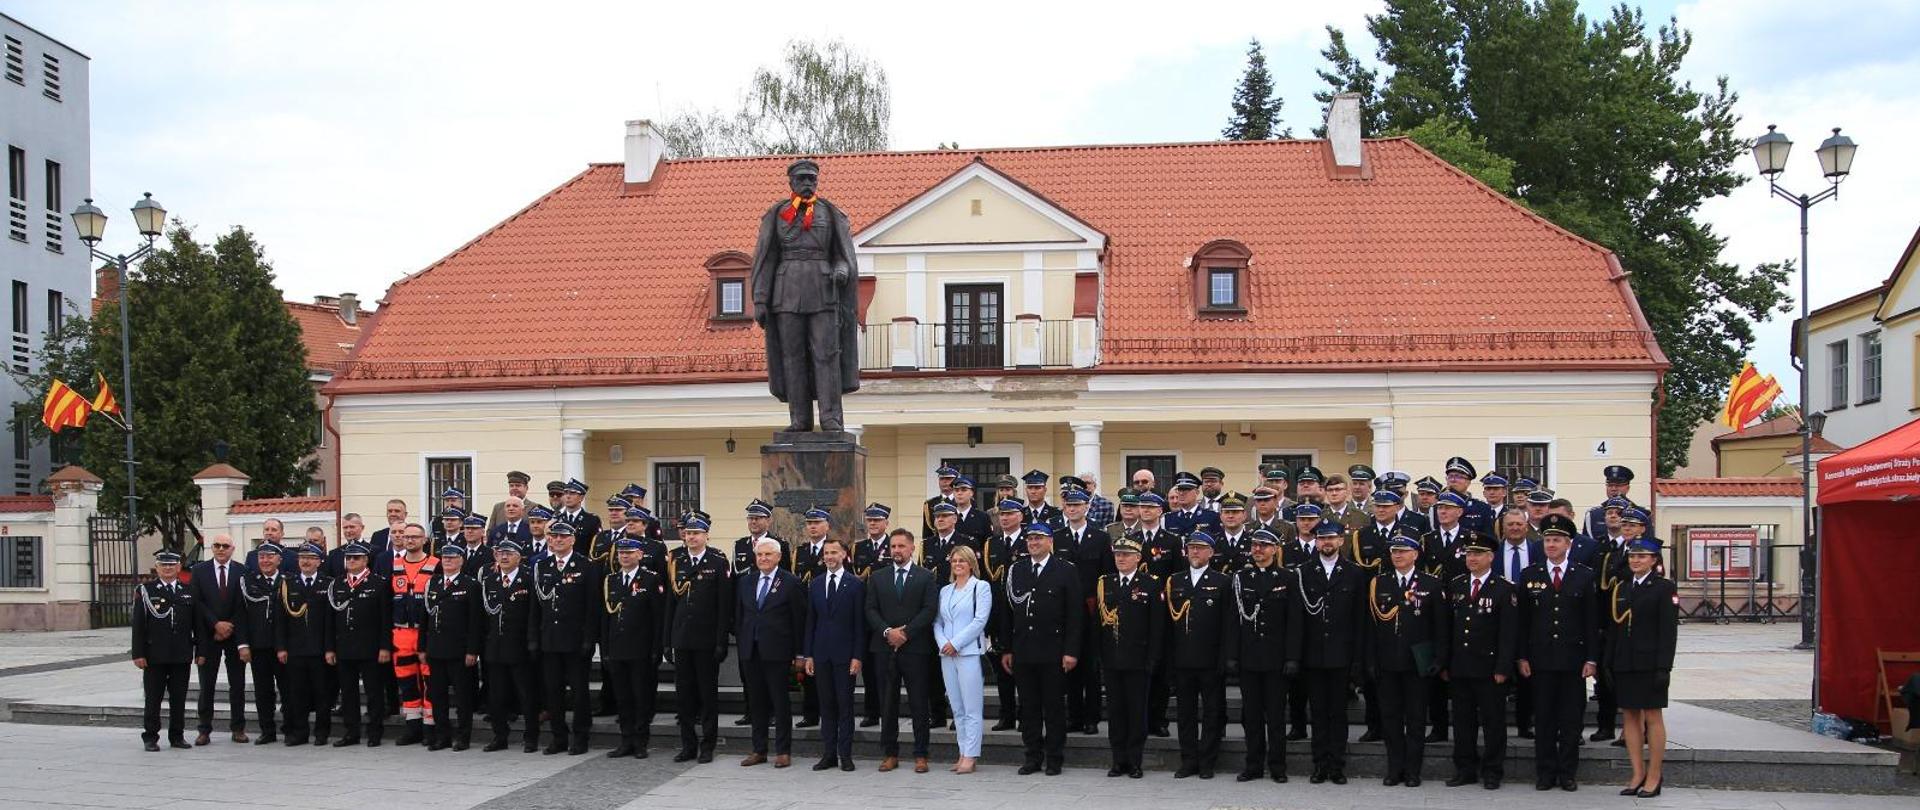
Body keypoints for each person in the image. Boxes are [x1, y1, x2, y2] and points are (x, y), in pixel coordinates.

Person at [1517, 514, 1600, 792]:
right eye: (1547, 540)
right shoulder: (1530, 575)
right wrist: (1522, 656)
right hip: (1540, 660)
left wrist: (1591, 658)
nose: (1551, 545)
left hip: (1573, 661)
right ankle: (1545, 772)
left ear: (1569, 543)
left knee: (1571, 720)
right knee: (1544, 719)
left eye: (1557, 540)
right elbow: (1523, 622)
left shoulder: (1584, 575)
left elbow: (1592, 622)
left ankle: (1567, 773)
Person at [999, 522, 1083, 776]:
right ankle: (1032, 756)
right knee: (1028, 707)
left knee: (1054, 707)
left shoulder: (1065, 570)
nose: (1033, 543)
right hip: (1024, 650)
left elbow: (1075, 615)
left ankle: (1055, 758)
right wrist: (1007, 648)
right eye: (1030, 539)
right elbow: (1006, 613)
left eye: (1038, 538)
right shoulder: (1017, 569)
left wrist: (1071, 650)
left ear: (1050, 542)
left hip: (1053, 650)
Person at [1368, 534, 1447, 787]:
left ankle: (1413, 770)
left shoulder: (1431, 584)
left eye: (1403, 551)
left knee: (1415, 719)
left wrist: (1440, 659)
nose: (1398, 555)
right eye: (1394, 551)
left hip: (1417, 664)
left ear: (1415, 554)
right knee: (1390, 719)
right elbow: (1370, 626)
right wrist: (1369, 660)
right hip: (1387, 662)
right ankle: (1394, 769)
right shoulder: (1379, 583)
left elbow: (1441, 628)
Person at [1443, 535, 1520, 790]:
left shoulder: (1504, 588)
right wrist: (1445, 663)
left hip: (1489, 669)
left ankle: (1492, 770)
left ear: (1490, 557)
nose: (1472, 559)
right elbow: (1448, 629)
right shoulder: (1457, 585)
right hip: (1461, 666)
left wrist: (1503, 668)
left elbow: (1508, 634)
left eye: (1477, 554)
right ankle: (1465, 768)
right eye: (1468, 554)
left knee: (1493, 722)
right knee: (1463, 722)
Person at [1608, 536, 1678, 799]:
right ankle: (1637, 772)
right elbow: (1616, 628)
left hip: (1650, 663)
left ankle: (1655, 775)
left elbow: (1668, 632)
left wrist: (1664, 667)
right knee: (1629, 717)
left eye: (1641, 556)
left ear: (1654, 560)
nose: (1635, 560)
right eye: (1632, 556)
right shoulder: (1623, 587)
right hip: (1625, 661)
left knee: (1652, 717)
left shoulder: (1663, 588)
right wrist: (1609, 661)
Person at [1297, 520, 1367, 784]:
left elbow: (1359, 620)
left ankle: (1337, 765)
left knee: (1338, 713)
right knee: (1317, 711)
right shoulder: (1303, 572)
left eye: (1331, 538)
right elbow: (1298, 620)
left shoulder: (1355, 573)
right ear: (1316, 542)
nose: (1326, 542)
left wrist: (1357, 659)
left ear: (1341, 541)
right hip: (1313, 655)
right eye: (1321, 538)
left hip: (1341, 655)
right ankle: (1319, 764)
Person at [866, 528, 939, 773]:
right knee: (887, 704)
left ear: (912, 548)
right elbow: (870, 610)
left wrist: (905, 633)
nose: (896, 550)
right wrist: (888, 632)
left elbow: (929, 610)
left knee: (919, 702)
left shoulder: (926, 576)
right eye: (893, 546)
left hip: (915, 649)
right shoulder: (877, 577)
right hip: (884, 648)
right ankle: (889, 753)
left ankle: (921, 754)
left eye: (901, 546)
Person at [1232, 528, 1301, 783]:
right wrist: (1232, 655)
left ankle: (1277, 766)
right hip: (1249, 657)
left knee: (1274, 716)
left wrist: (1292, 657)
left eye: (1263, 545)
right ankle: (1253, 765)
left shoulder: (1288, 577)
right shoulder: (1241, 578)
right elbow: (1233, 620)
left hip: (1276, 659)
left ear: (1275, 549)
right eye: (1254, 545)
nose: (1257, 549)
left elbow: (1294, 621)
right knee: (1251, 716)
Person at [735, 535, 808, 768]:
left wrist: (799, 653)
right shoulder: (746, 582)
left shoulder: (791, 582)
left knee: (780, 703)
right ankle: (759, 749)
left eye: (768, 554)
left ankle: (783, 751)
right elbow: (739, 616)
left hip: (778, 652)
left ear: (778, 557)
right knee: (756, 703)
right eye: (759, 555)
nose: (763, 558)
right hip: (751, 650)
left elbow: (799, 621)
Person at [1166, 531, 1234, 780]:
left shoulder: (1222, 581)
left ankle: (1207, 761)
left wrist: (1225, 658)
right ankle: (1189, 760)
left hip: (1210, 659)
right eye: (1191, 547)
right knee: (1185, 713)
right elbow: (1168, 625)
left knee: (1212, 712)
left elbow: (1228, 624)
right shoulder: (1175, 580)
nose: (1195, 552)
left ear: (1211, 552)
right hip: (1183, 659)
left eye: (1201, 548)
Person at [666, 516, 733, 763]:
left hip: (706, 640)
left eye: (696, 533)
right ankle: (687, 745)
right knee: (684, 696)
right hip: (682, 638)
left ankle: (708, 745)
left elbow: (723, 606)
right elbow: (670, 605)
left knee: (707, 695)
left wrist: (720, 641)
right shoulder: (676, 562)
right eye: (688, 533)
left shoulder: (717, 562)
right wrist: (667, 640)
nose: (691, 537)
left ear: (706, 536)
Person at [532, 521, 601, 755]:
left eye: (563, 536)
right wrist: (534, 638)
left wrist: (589, 639)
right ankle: (558, 737)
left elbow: (593, 607)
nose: (558, 540)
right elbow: (536, 607)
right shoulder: (542, 566)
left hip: (575, 641)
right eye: (554, 536)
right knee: (553, 692)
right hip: (550, 640)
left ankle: (580, 737)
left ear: (572, 539)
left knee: (580, 692)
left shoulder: (586, 566)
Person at [1096, 535, 1162, 778]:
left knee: (1136, 712)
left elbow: (1156, 626)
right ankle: (1118, 760)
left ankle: (1134, 761)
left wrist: (1153, 658)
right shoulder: (1105, 583)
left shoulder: (1150, 583)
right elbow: (1099, 624)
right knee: (1116, 713)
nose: (1121, 559)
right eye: (1117, 554)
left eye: (1126, 555)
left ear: (1138, 558)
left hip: (1138, 659)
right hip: (1112, 659)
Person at [601, 537, 667, 759]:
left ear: (640, 555)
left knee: (641, 697)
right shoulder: (610, 580)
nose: (625, 556)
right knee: (623, 697)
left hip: (641, 648)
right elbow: (606, 618)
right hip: (617, 648)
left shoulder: (650, 579)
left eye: (629, 552)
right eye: (621, 553)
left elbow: (657, 617)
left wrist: (657, 648)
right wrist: (605, 648)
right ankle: (626, 739)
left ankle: (640, 741)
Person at [805, 537, 867, 772]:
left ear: (844, 555)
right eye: (826, 553)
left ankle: (845, 754)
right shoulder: (816, 583)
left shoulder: (855, 584)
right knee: (826, 705)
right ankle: (828, 754)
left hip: (845, 656)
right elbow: (811, 621)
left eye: (834, 552)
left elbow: (859, 624)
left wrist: (857, 656)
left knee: (845, 706)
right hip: (821, 655)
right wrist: (808, 654)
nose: (829, 556)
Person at [132, 549, 199, 751]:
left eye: (172, 565)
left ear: (179, 567)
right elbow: (138, 625)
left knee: (179, 699)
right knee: (153, 698)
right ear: (157, 567)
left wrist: (200, 651)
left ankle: (177, 736)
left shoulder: (187, 590)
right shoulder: (146, 591)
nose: (168, 568)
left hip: (181, 654)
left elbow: (197, 624)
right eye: (164, 565)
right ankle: (150, 736)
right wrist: (138, 653)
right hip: (155, 655)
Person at [933, 544, 992, 774]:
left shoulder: (981, 588)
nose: (958, 564)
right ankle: (962, 751)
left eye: (962, 561)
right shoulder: (945, 591)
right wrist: (943, 643)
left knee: (971, 707)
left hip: (968, 652)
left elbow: (979, 621)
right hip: (946, 653)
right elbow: (938, 621)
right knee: (956, 706)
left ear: (971, 564)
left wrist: (955, 643)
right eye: (954, 561)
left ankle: (971, 754)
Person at [328, 543, 393, 747]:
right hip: (345, 647)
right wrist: (330, 648)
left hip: (370, 648)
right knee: (348, 693)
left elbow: (385, 619)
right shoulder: (337, 584)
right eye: (348, 558)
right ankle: (351, 732)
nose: (351, 561)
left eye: (356, 558)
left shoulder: (379, 583)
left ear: (366, 560)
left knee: (374, 692)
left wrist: (385, 647)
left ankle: (374, 732)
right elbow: (330, 620)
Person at [480, 540, 540, 753]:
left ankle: (531, 737)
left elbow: (534, 613)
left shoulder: (528, 579)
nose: (503, 557)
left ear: (519, 557)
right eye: (500, 553)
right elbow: (484, 617)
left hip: (520, 646)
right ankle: (499, 736)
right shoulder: (490, 580)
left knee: (526, 695)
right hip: (495, 647)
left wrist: (532, 642)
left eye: (509, 553)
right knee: (496, 696)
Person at [189, 533, 248, 745]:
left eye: (225, 546)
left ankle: (238, 728)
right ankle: (204, 729)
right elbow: (197, 603)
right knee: (207, 685)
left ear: (232, 549)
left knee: (237, 684)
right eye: (217, 545)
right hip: (209, 635)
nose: (221, 549)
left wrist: (229, 626)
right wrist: (216, 624)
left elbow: (243, 604)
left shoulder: (242, 571)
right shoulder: (199, 571)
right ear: (211, 548)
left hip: (234, 634)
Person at [423, 543, 483, 751]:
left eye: (452, 557)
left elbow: (476, 622)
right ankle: (442, 736)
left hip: (460, 650)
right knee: (437, 696)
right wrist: (423, 648)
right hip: (436, 649)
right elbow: (425, 619)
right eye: (444, 557)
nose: (447, 561)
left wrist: (473, 650)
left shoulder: (470, 585)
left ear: (461, 560)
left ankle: (463, 737)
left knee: (463, 697)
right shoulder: (433, 583)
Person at [387, 522, 438, 746]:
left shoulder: (435, 564)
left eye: (414, 537)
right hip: (401, 634)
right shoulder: (394, 564)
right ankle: (412, 727)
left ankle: (430, 728)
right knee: (407, 683)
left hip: (425, 632)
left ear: (424, 540)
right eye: (406, 537)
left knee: (430, 681)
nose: (409, 541)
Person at [276, 543, 331, 746]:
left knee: (322, 693)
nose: (306, 561)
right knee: (296, 694)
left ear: (319, 561)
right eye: (302, 558)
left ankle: (322, 732)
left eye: (310, 558)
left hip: (319, 650)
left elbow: (330, 621)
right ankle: (300, 732)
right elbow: (280, 620)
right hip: (295, 649)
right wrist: (281, 647)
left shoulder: (327, 583)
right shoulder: (287, 584)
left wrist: (329, 648)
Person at [234, 541, 286, 746]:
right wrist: (243, 644)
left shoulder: (287, 581)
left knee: (288, 689)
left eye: (270, 556)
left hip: (283, 647)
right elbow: (240, 615)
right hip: (259, 645)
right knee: (263, 691)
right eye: (262, 557)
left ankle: (289, 727)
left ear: (279, 559)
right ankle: (267, 730)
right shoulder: (248, 582)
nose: (265, 561)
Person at [792, 510, 835, 731]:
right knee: (807, 665)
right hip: (805, 615)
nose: (812, 527)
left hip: (828, 614)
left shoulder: (835, 549)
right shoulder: (799, 552)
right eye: (809, 523)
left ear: (827, 525)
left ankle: (829, 712)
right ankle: (810, 713)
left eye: (817, 523)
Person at [855, 502, 892, 727]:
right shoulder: (858, 548)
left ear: (886, 523)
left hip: (887, 614)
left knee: (887, 670)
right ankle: (872, 712)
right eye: (870, 520)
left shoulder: (893, 546)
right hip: (865, 615)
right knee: (868, 669)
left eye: (877, 520)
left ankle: (888, 710)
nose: (873, 524)